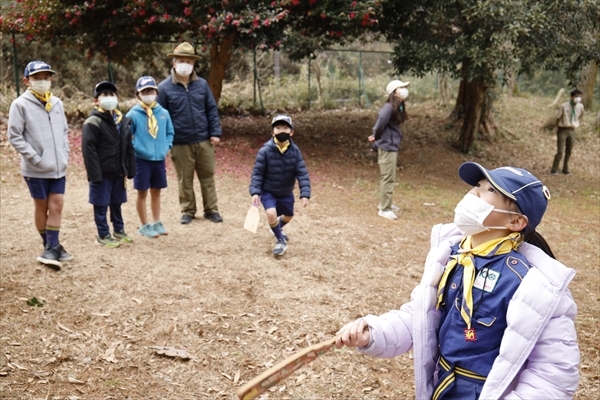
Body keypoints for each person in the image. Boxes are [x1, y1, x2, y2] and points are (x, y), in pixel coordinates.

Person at [336, 162, 580, 399]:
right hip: (443, 387)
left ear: (515, 222)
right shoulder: (453, 257)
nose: (474, 192)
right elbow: (422, 317)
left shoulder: (536, 286)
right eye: (477, 185)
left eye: (490, 190)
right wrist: (374, 332)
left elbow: (553, 374)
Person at [8, 60, 72, 270]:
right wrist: (35, 157)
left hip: (57, 167)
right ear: (27, 80)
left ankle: (52, 247)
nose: (42, 81)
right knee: (42, 206)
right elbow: (15, 136)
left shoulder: (57, 103)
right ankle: (50, 245)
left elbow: (63, 131)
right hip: (35, 168)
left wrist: (64, 153)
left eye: (46, 77)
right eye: (37, 78)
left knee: (58, 204)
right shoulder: (20, 104)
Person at [157, 41, 223, 225]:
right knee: (184, 179)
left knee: (207, 177)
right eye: (181, 60)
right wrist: (165, 140)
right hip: (179, 142)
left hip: (204, 140)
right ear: (174, 62)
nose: (185, 64)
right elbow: (160, 117)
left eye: (189, 60)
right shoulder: (163, 88)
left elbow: (211, 109)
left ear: (194, 64)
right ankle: (188, 210)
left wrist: (215, 132)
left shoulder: (202, 85)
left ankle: (211, 209)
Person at [82, 81, 136, 248]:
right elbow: (88, 150)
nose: (109, 98)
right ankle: (103, 234)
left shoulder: (123, 120)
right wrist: (95, 174)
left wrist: (130, 168)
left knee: (117, 202)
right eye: (104, 95)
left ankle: (119, 230)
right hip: (102, 173)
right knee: (101, 203)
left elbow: (128, 146)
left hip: (118, 171)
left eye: (112, 94)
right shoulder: (93, 122)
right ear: (96, 100)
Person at [249, 115, 311, 256]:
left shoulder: (295, 152)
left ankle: (276, 228)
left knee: (288, 216)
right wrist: (255, 192)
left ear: (291, 132)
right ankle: (280, 240)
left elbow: (302, 173)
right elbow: (257, 173)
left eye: (285, 127)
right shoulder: (264, 151)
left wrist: (305, 193)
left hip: (286, 192)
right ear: (272, 132)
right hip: (268, 191)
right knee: (271, 214)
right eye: (278, 128)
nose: (281, 130)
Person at [126, 76, 174, 238]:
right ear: (138, 94)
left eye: (151, 91)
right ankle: (144, 224)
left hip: (159, 159)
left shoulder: (163, 113)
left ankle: (156, 221)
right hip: (141, 160)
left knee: (157, 191)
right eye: (144, 91)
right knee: (142, 192)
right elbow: (127, 136)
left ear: (156, 92)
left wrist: (166, 146)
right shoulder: (133, 114)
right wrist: (137, 149)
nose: (148, 94)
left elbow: (170, 132)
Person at [369, 79, 409, 220]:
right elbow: (379, 125)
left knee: (390, 177)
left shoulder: (398, 105)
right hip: (387, 145)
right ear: (394, 91)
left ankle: (387, 204)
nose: (404, 89)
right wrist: (376, 137)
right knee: (387, 178)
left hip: (391, 144)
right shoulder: (388, 108)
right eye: (401, 87)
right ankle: (384, 208)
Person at [551, 89, 584, 175]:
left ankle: (565, 168)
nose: (578, 98)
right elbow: (558, 118)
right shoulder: (564, 106)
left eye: (579, 97)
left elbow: (581, 114)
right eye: (576, 96)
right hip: (563, 129)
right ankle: (554, 169)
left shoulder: (580, 106)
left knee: (569, 151)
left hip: (572, 130)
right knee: (560, 151)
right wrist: (557, 129)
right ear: (572, 97)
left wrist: (575, 122)